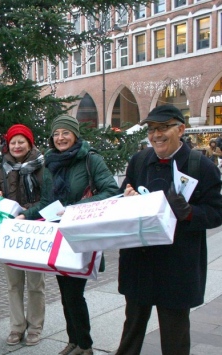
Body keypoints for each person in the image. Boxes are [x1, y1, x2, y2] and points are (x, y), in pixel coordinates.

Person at [116, 105, 222, 355]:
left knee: (175, 336)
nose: (156, 135)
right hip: (139, 262)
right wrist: (126, 198)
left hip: (177, 266)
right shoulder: (139, 160)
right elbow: (120, 195)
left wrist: (189, 212)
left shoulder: (201, 166)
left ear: (181, 129)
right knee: (131, 329)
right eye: (152, 129)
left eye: (163, 128)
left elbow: (217, 212)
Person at [17, 115, 119, 355]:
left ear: (75, 135)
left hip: (82, 235)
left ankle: (85, 345)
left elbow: (111, 191)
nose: (61, 138)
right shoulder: (51, 163)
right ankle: (74, 342)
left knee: (74, 294)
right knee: (66, 294)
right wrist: (25, 216)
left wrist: (75, 209)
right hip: (59, 237)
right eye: (56, 134)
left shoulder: (91, 159)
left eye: (65, 133)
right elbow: (46, 202)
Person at [0, 124, 46, 346]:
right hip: (10, 232)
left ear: (29, 143)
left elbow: (48, 198)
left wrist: (27, 212)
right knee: (13, 284)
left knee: (35, 284)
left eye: (21, 141)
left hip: (34, 231)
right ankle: (16, 327)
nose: (17, 146)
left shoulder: (43, 166)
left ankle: (35, 327)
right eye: (13, 142)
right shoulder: (1, 170)